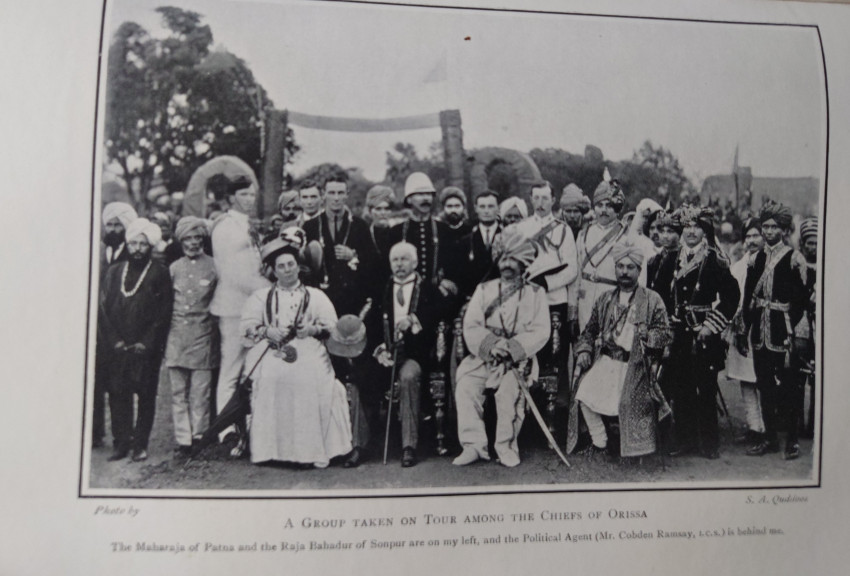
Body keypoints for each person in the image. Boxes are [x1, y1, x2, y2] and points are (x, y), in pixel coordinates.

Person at [241, 231, 353, 467]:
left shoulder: (316, 296)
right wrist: (267, 331)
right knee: (271, 377)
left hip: (310, 349)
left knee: (306, 378)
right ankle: (273, 452)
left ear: (298, 267)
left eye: (291, 264)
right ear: (274, 271)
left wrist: (312, 329)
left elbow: (333, 328)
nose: (287, 270)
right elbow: (247, 327)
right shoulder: (262, 297)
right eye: (281, 267)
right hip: (275, 349)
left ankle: (307, 453)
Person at [453, 227, 550, 467]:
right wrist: (492, 345)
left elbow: (541, 330)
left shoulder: (536, 293)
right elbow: (471, 325)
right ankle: (473, 446)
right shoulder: (484, 290)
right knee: (466, 384)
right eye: (503, 258)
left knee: (508, 392)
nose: (506, 264)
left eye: (512, 259)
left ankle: (506, 446)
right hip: (485, 357)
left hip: (519, 359)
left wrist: (513, 349)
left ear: (523, 262)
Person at [568, 242, 671, 458]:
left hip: (636, 365)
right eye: (620, 266)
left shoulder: (652, 299)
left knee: (626, 402)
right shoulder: (605, 299)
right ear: (615, 269)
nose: (624, 272)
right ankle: (600, 442)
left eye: (630, 267)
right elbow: (589, 331)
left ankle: (632, 446)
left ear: (639, 270)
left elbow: (665, 333)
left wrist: (648, 336)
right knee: (583, 393)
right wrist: (584, 351)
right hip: (606, 361)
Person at [662, 205, 739, 459]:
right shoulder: (672, 258)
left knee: (705, 388)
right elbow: (661, 293)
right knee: (681, 387)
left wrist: (710, 326)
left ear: (705, 231)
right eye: (687, 227)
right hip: (679, 333)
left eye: (697, 227)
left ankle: (709, 443)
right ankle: (686, 441)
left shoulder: (715, 260)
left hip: (704, 333)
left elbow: (731, 297)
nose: (691, 232)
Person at [739, 201, 808, 460]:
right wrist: (744, 329)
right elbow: (748, 297)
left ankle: (791, 441)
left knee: (788, 389)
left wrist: (791, 326)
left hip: (784, 333)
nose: (769, 231)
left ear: (784, 230)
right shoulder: (755, 259)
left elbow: (801, 299)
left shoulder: (793, 258)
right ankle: (769, 439)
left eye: (774, 227)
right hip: (760, 332)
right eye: (765, 227)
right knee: (764, 385)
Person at [99, 218, 173, 461]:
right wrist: (115, 340)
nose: (137, 249)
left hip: (146, 349)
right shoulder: (114, 272)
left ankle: (140, 444)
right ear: (127, 244)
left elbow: (163, 312)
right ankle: (121, 443)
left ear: (150, 246)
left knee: (146, 395)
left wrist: (147, 343)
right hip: (118, 347)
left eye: (143, 244)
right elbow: (103, 309)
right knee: (118, 394)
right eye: (133, 244)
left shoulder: (160, 273)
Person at [371, 242, 450, 467]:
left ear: (414, 263)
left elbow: (442, 310)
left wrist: (414, 319)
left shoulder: (428, 289)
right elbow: (371, 323)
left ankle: (409, 446)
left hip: (414, 354)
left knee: (408, 377)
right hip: (386, 354)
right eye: (395, 260)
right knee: (362, 376)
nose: (399, 264)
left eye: (404, 259)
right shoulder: (382, 288)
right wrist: (379, 350)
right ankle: (359, 444)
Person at [209, 175, 271, 449]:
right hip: (233, 306)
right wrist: (267, 287)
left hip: (253, 305)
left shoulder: (247, 225)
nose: (249, 199)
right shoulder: (225, 227)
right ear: (232, 197)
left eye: (252, 194)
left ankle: (250, 428)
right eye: (244, 194)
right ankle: (226, 432)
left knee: (253, 368)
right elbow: (233, 273)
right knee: (231, 369)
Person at [514, 180, 579, 399]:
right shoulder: (521, 229)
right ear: (530, 199)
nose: (540, 203)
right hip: (527, 301)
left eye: (545, 198)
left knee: (554, 357)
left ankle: (554, 409)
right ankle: (528, 407)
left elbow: (572, 269)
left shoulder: (563, 229)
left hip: (554, 302)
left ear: (553, 200)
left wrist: (547, 284)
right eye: (536, 198)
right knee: (528, 354)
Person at [164, 216, 218, 456]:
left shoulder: (215, 266)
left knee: (200, 393)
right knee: (178, 392)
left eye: (197, 237)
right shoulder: (174, 268)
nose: (193, 242)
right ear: (181, 240)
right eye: (188, 238)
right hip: (177, 337)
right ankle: (183, 440)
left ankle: (199, 436)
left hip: (203, 336)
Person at [94, 201, 138, 448]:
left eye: (117, 225)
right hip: (99, 327)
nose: (112, 230)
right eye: (109, 225)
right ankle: (94, 433)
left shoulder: (133, 253)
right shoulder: (99, 251)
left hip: (123, 327)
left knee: (120, 385)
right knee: (96, 381)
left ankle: (123, 437)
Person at [303, 174, 374, 317]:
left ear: (347, 195)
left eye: (340, 193)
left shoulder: (360, 226)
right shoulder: (310, 226)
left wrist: (354, 256)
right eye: (332, 193)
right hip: (321, 300)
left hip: (352, 301)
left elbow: (372, 262)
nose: (336, 198)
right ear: (323, 195)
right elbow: (304, 267)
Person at [725, 218, 766, 445]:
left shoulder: (769, 263)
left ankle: (767, 427)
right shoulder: (739, 266)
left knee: (764, 379)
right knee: (747, 380)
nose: (751, 240)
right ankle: (754, 426)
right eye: (748, 236)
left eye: (756, 235)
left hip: (763, 328)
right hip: (742, 330)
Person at [388, 172, 459, 299]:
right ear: (409, 199)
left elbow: (453, 264)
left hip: (438, 294)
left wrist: (446, 280)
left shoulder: (445, 230)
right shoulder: (396, 232)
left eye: (428, 194)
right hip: (407, 295)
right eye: (420, 194)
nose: (426, 198)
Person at [575, 180, 632, 331]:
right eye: (600, 205)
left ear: (618, 209)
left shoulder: (626, 236)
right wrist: (572, 309)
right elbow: (576, 273)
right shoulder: (584, 234)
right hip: (585, 302)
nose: (604, 210)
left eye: (609, 206)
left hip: (611, 300)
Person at [456, 190, 502, 296]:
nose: (486, 211)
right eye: (482, 207)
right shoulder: (466, 241)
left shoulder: (507, 237)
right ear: (476, 208)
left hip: (500, 295)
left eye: (491, 206)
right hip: (473, 297)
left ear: (498, 208)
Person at [796, 217, 818, 438]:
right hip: (801, 323)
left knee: (818, 376)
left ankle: (814, 424)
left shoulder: (828, 266)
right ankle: (795, 423)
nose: (813, 247)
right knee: (797, 375)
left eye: (817, 243)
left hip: (819, 325)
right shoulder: (797, 264)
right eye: (809, 243)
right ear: (802, 243)